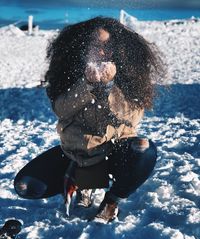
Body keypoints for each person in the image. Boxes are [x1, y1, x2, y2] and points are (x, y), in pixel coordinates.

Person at [14, 17, 165, 223]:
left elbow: (132, 116)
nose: (101, 52)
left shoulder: (128, 73)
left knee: (144, 149)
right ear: (83, 46)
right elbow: (62, 109)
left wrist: (108, 87)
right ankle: (83, 180)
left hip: (115, 151)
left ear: (117, 49)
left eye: (107, 46)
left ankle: (111, 202)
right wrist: (87, 85)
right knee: (25, 186)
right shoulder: (70, 72)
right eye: (95, 45)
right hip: (77, 152)